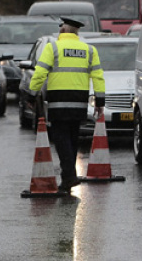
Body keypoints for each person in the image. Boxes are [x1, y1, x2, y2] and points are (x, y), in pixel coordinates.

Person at [28, 17, 105, 192]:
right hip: (79, 103)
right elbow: (98, 76)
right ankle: (69, 176)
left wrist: (31, 95)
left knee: (61, 139)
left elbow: (40, 73)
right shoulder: (89, 50)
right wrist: (100, 102)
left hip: (58, 103)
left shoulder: (52, 47)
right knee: (72, 138)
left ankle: (69, 176)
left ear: (63, 31)